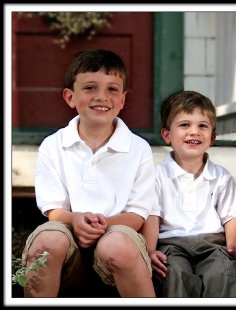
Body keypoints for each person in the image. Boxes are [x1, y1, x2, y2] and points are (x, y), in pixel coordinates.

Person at [21, 49, 156, 297]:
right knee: (46, 243)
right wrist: (75, 220)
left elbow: (138, 215)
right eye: (90, 88)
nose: (101, 97)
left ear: (123, 100)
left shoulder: (138, 149)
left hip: (118, 238)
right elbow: (53, 210)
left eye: (112, 89)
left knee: (118, 244)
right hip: (67, 239)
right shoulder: (53, 145)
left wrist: (103, 226)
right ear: (70, 97)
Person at [140, 90, 236, 297]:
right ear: (166, 135)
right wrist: (150, 251)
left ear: (213, 137)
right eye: (184, 125)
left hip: (213, 244)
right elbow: (152, 217)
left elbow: (232, 217)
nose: (194, 132)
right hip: (172, 244)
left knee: (224, 273)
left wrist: (233, 246)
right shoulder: (156, 175)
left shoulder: (221, 177)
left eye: (202, 126)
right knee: (173, 274)